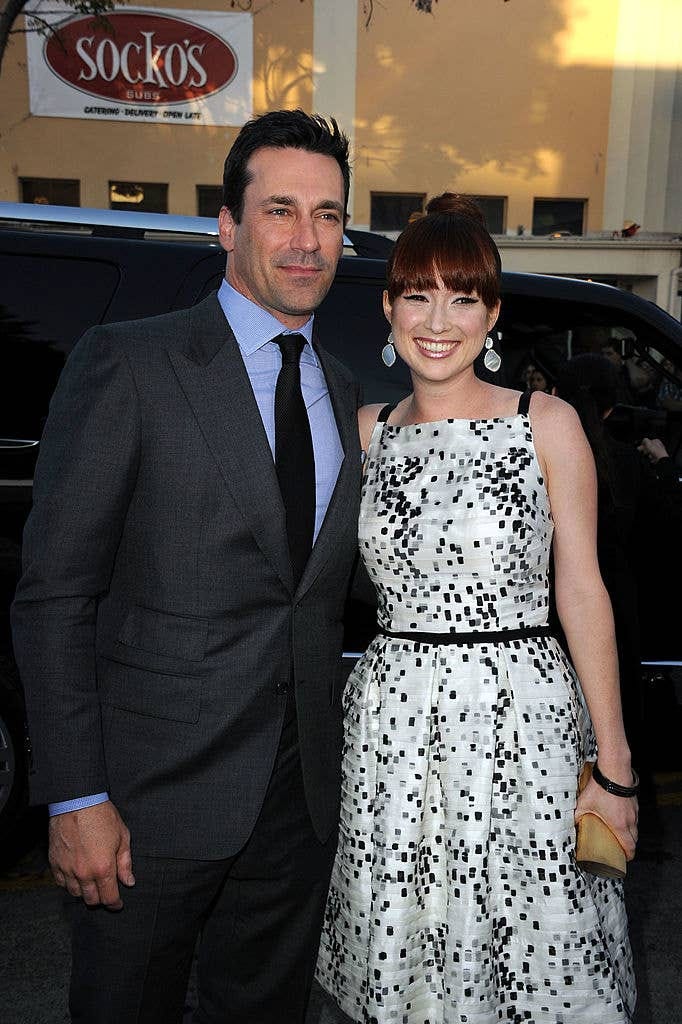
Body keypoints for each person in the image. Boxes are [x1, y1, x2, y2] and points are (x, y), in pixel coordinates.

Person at [10, 108, 362, 1024]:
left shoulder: (344, 388)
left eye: (327, 215)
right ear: (228, 226)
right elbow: (54, 597)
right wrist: (76, 794)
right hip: (146, 805)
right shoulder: (132, 363)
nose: (305, 238)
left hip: (296, 806)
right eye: (281, 209)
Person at [316, 193, 638, 1022]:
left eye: (463, 296)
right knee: (411, 950)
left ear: (492, 313)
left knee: (532, 955)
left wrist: (612, 766)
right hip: (392, 725)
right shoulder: (362, 431)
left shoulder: (547, 423)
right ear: (388, 309)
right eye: (417, 294)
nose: (438, 319)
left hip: (522, 721)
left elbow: (583, 591)